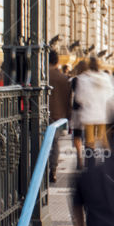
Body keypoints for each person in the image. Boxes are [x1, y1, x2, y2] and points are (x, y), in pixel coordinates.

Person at [75, 56, 114, 161]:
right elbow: (112, 94)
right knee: (104, 141)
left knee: (90, 142)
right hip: (102, 115)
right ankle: (108, 163)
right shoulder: (106, 78)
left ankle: (90, 166)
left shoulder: (82, 78)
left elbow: (79, 98)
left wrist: (88, 102)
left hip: (88, 115)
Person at [47, 49, 71, 183]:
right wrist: (68, 116)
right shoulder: (63, 78)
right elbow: (68, 99)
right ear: (57, 61)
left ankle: (41, 170)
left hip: (41, 115)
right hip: (57, 116)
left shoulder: (41, 76)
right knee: (55, 143)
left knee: (40, 143)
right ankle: (53, 170)